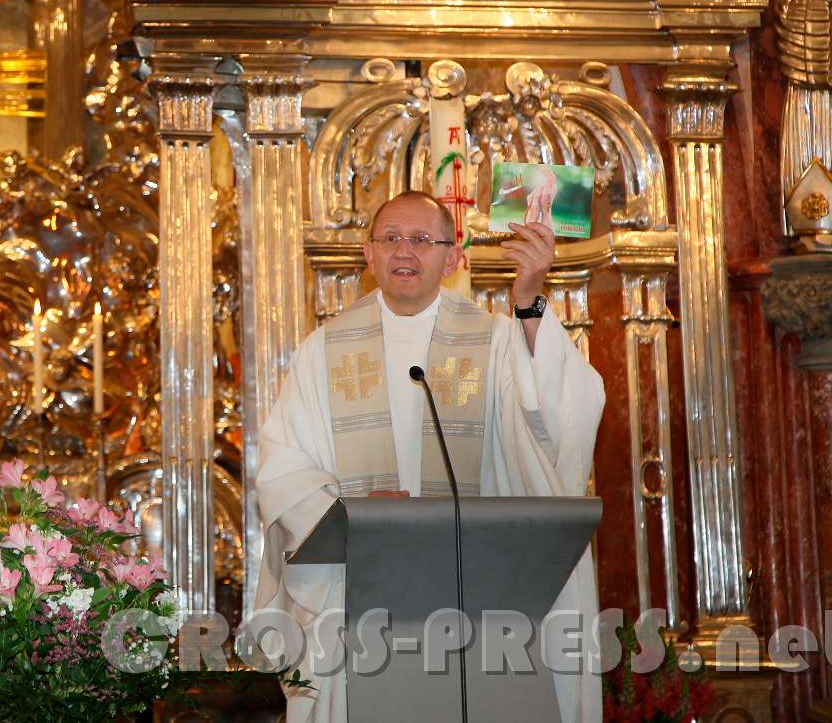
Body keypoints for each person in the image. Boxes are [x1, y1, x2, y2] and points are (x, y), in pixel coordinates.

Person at [252, 190, 605, 723]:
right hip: (358, 598)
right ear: (368, 255)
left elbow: (563, 416)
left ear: (453, 256)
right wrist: (349, 514)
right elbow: (284, 470)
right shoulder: (322, 352)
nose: (404, 251)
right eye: (390, 238)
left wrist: (530, 298)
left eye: (421, 239)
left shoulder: (495, 341)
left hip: (478, 604)